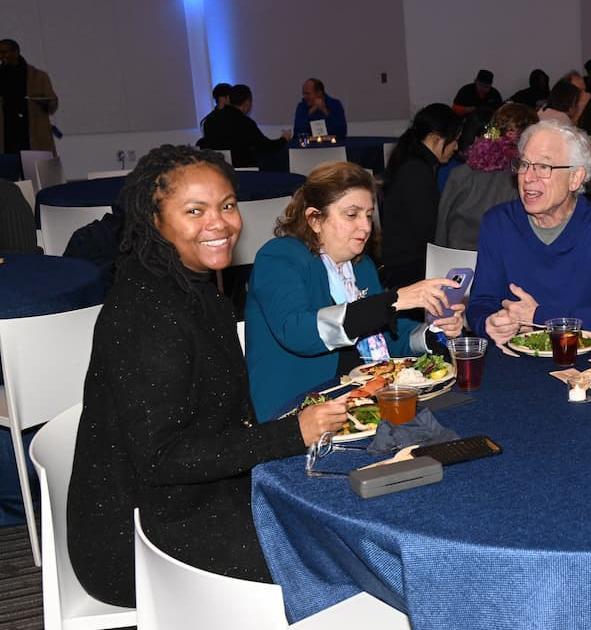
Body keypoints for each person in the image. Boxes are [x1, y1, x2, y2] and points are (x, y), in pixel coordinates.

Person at [66, 145, 350, 607]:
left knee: (340, 512)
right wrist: (290, 433)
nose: (218, 223)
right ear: (153, 219)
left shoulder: (194, 285)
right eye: (194, 211)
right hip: (141, 538)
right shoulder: (146, 312)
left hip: (200, 495)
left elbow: (217, 416)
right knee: (335, 558)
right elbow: (162, 459)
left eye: (227, 206)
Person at [245, 161, 464, 420]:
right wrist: (392, 301)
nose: (366, 226)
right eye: (352, 215)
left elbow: (388, 339)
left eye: (369, 215)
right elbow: (298, 332)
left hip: (361, 399)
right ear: (315, 219)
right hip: (299, 410)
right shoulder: (280, 258)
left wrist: (433, 332)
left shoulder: (361, 266)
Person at [466, 119, 591, 339]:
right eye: (524, 164)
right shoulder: (499, 223)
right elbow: (480, 302)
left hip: (583, 362)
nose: (528, 178)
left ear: (575, 178)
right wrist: (489, 323)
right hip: (516, 360)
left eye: (543, 167)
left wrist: (542, 317)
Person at [379, 103, 462, 288]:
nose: (456, 147)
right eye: (454, 140)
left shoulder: (413, 162)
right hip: (410, 267)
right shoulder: (416, 171)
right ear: (436, 139)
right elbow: (428, 228)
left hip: (405, 261)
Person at [436, 103, 538, 250]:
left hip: (455, 263)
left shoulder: (459, 173)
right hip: (499, 263)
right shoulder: (523, 180)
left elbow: (441, 227)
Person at [198, 84, 291, 168]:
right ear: (247, 103)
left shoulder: (209, 121)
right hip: (244, 172)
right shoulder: (245, 123)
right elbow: (265, 147)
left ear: (229, 99)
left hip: (218, 170)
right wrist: (284, 139)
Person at [0, 39, 58, 154]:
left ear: (16, 52)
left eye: (4, 52)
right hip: (6, 135)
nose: (1, 56)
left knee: (35, 170)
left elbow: (53, 104)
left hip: (33, 134)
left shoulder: (38, 76)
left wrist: (44, 102)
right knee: (8, 170)